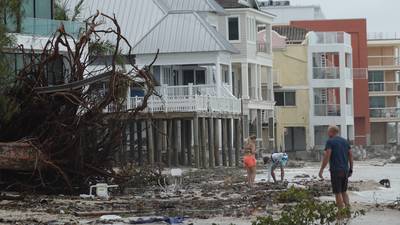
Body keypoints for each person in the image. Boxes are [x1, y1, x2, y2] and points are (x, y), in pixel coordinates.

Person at [319, 125, 353, 209]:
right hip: (345, 170)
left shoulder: (330, 142)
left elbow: (327, 156)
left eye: (328, 131)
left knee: (338, 192)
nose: (327, 133)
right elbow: (351, 155)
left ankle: (341, 213)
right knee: (344, 191)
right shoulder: (345, 141)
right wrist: (351, 169)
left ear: (331, 132)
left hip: (336, 170)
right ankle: (348, 211)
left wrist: (321, 170)